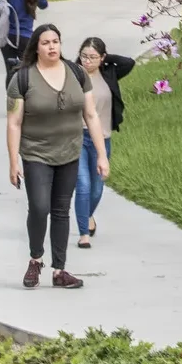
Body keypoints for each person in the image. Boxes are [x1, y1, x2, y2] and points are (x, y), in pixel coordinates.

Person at [6, 24, 107, 289]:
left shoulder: (77, 73)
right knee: (40, 207)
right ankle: (36, 259)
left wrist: (100, 155)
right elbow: (14, 122)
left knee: (61, 211)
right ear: (36, 48)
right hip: (36, 152)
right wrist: (13, 161)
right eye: (45, 42)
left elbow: (91, 115)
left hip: (69, 152)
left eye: (56, 41)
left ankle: (59, 270)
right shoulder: (23, 78)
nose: (52, 46)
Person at [73, 37, 135, 248]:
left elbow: (129, 63)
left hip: (103, 137)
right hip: (77, 136)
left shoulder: (109, 72)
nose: (87, 61)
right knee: (83, 185)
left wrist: (106, 60)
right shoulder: (73, 74)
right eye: (84, 56)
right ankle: (83, 233)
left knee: (97, 188)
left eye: (92, 57)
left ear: (102, 58)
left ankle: (87, 215)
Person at [1, 0, 47, 75]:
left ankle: (11, 93)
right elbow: (44, 5)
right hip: (26, 37)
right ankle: (24, 93)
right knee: (27, 72)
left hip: (7, 36)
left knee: (10, 71)